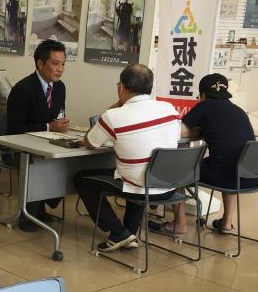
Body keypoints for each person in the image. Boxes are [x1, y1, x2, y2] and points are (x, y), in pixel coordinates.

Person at [74, 64, 180, 251]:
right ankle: (129, 233)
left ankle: (118, 232)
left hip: (140, 186)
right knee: (137, 173)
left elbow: (90, 142)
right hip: (168, 186)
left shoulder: (114, 115)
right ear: (150, 88)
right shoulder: (170, 109)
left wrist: (114, 107)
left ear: (121, 87)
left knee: (82, 179)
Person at [149, 73, 258, 235]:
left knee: (179, 170)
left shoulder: (204, 106)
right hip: (251, 176)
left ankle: (179, 225)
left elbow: (179, 132)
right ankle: (226, 223)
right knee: (231, 162)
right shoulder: (239, 110)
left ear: (202, 94)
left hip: (227, 176)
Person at [7, 39, 68, 231]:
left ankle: (42, 207)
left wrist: (61, 124)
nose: (60, 69)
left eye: (63, 64)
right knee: (39, 163)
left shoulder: (60, 87)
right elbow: (15, 127)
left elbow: (58, 115)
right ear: (40, 64)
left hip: (48, 144)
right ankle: (28, 215)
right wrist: (49, 127)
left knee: (66, 164)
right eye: (55, 63)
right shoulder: (23, 89)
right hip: (20, 147)